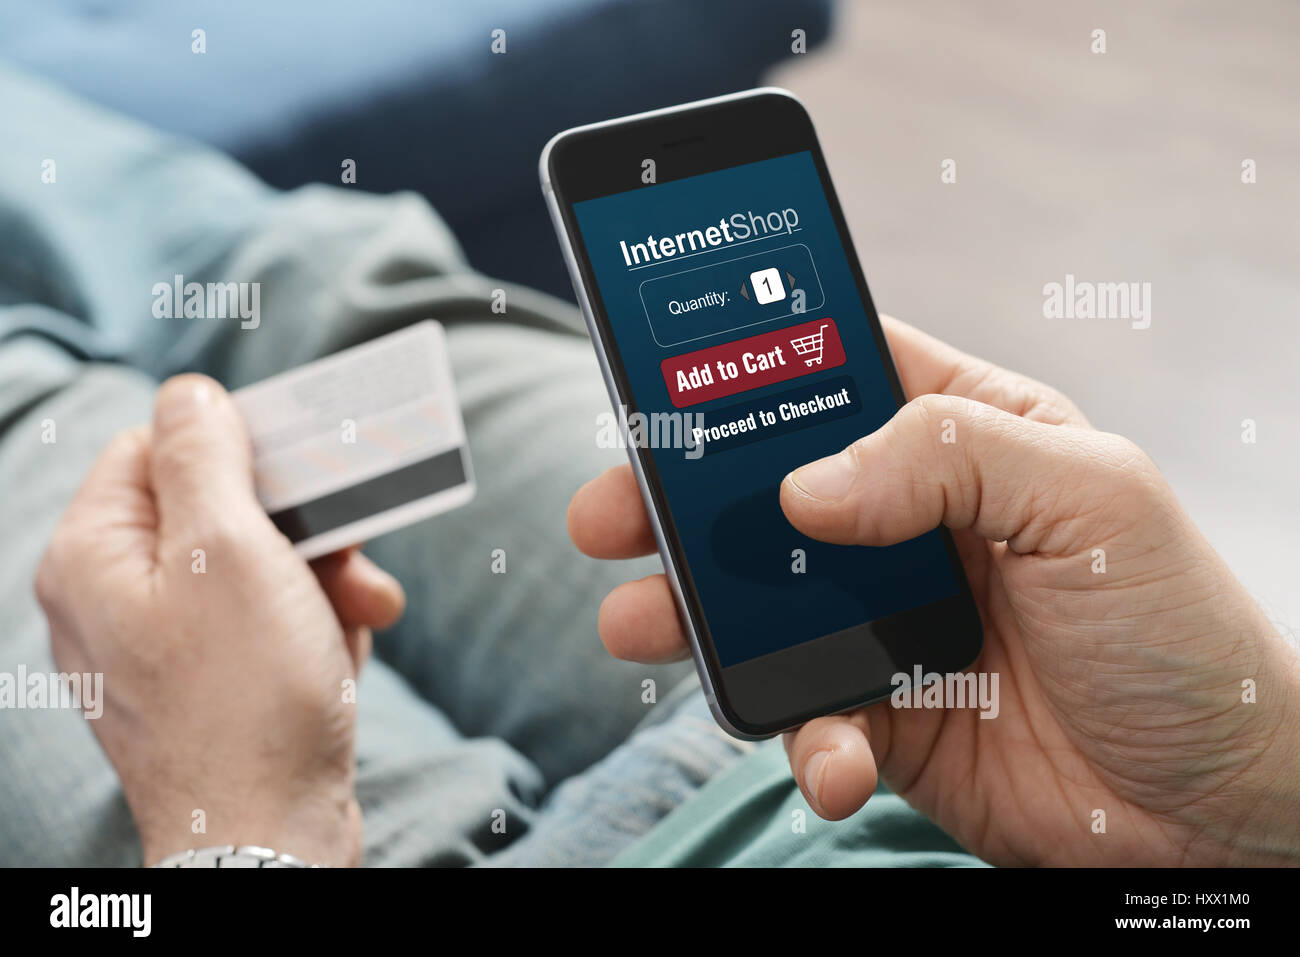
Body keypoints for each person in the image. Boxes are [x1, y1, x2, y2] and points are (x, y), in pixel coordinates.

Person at [9, 63, 1299, 867]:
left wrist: (239, 829)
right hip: (886, 751)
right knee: (321, 293)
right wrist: (1235, 821)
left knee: (30, 420)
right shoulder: (1194, 792)